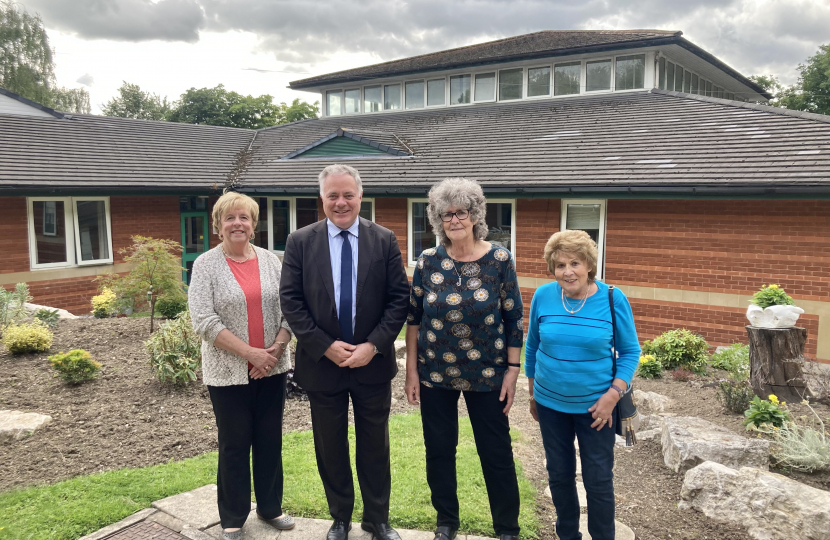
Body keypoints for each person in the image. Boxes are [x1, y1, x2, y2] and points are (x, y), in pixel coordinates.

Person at [279, 164, 410, 540]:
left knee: (375, 444)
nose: (341, 202)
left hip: (372, 364)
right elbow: (291, 301)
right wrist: (324, 346)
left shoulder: (383, 239)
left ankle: (377, 518)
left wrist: (373, 345)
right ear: (321, 199)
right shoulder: (300, 241)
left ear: (360, 196)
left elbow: (398, 299)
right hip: (323, 366)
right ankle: (340, 517)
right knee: (329, 445)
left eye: (347, 194)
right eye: (332, 195)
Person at [404, 178, 524, 540]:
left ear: (475, 215)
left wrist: (513, 371)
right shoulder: (427, 261)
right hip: (435, 372)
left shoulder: (499, 259)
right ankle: (446, 522)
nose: (454, 220)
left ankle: (507, 527)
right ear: (437, 219)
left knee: (496, 452)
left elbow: (514, 318)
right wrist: (411, 372)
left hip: (488, 372)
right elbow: (413, 319)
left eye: (461, 212)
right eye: (446, 214)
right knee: (439, 450)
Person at [189, 191, 295, 540]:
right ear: (219, 225)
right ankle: (233, 516)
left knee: (269, 440)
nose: (238, 223)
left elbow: (290, 310)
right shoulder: (205, 264)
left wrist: (273, 353)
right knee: (234, 443)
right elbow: (204, 321)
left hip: (272, 368)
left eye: (244, 217)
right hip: (227, 372)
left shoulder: (271, 261)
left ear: (254, 224)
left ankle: (270, 508)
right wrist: (252, 354)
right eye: (230, 218)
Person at [524, 230, 640, 540]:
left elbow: (630, 352)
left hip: (596, 408)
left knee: (598, 479)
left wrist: (613, 396)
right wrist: (533, 392)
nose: (567, 271)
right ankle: (568, 535)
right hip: (550, 406)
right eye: (560, 265)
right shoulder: (543, 296)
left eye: (575, 263)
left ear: (588, 265)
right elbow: (533, 346)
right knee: (559, 475)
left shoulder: (613, 298)